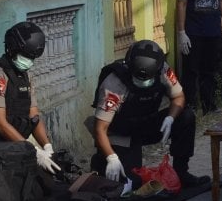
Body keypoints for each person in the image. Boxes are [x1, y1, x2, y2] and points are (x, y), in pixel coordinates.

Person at [90, 40, 210, 189]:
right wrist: (111, 157)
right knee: (130, 183)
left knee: (186, 116)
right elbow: (100, 128)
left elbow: (179, 97)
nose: (143, 81)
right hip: (121, 132)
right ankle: (102, 162)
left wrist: (170, 118)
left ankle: (181, 173)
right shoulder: (114, 84)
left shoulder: (163, 70)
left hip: (147, 123)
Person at [0, 21, 60, 174]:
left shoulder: (24, 76)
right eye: (26, 56)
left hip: (12, 143)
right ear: (12, 49)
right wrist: (33, 151)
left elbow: (33, 116)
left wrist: (48, 148)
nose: (29, 62)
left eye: (32, 58)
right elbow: (0, 124)